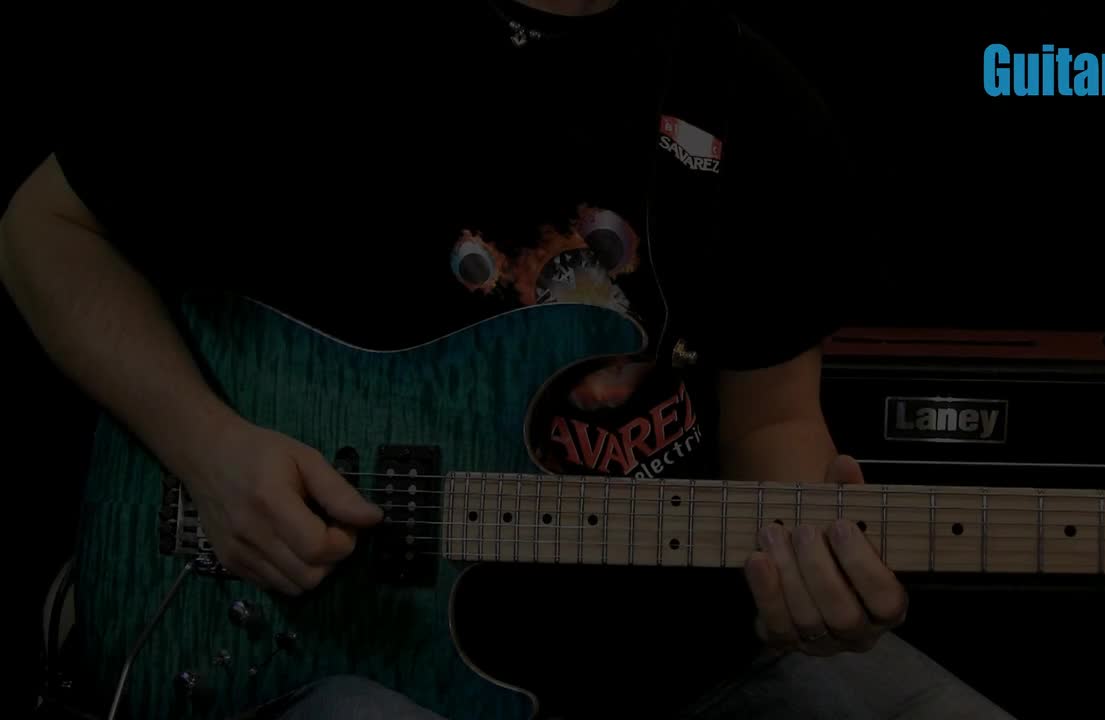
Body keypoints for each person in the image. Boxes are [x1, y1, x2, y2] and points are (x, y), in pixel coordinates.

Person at [1, 1, 1014, 718]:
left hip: (686, 658)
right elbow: (43, 234)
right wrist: (211, 450)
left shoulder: (750, 93)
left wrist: (808, 569)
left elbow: (775, 419)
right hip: (333, 649)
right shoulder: (293, 38)